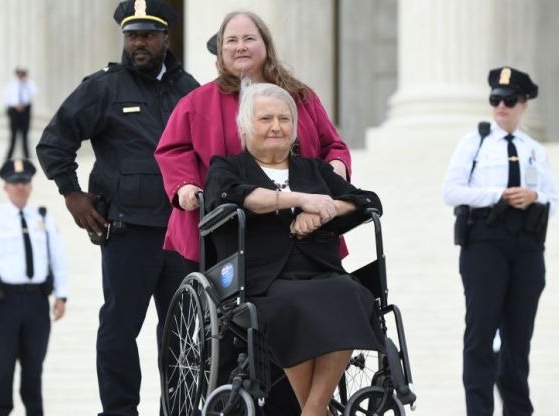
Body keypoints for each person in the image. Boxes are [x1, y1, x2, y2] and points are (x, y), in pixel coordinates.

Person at [154, 10, 351, 414]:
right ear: (220, 52)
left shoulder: (300, 96)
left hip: (307, 231)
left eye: (249, 39)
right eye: (232, 41)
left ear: (266, 45)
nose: (241, 47)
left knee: (337, 297)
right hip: (237, 234)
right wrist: (186, 185)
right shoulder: (198, 102)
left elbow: (334, 145)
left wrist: (336, 172)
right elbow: (173, 151)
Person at [35, 1, 199, 414]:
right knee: (118, 329)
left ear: (166, 37)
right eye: (131, 35)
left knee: (182, 334)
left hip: (182, 233)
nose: (138, 43)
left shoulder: (190, 91)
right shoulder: (104, 87)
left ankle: (177, 409)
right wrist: (72, 193)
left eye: (147, 34)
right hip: (129, 232)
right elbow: (54, 141)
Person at [204, 83, 384, 416]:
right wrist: (299, 200)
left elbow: (366, 202)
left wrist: (322, 211)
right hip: (261, 280)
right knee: (290, 304)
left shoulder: (313, 169)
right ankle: (317, 411)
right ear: (245, 126)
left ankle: (313, 411)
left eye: (284, 119)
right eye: (265, 118)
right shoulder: (227, 168)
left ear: (295, 127)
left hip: (321, 270)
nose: (276, 127)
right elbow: (236, 196)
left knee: (352, 295)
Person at [441, 67, 559, 416]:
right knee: (480, 335)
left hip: (526, 245)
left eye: (509, 101)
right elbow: (451, 191)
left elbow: (553, 200)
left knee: (518, 339)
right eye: (495, 100)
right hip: (484, 243)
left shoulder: (534, 150)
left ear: (523, 105)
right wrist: (498, 194)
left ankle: (518, 411)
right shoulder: (474, 143)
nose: (501, 107)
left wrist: (533, 195)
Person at [0, 158, 68, 416]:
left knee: (34, 366)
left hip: (36, 301)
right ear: (5, 186)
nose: (20, 187)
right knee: (2, 364)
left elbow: (58, 258)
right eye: (14, 182)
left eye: (24, 182)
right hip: (4, 302)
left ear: (31, 186)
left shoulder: (41, 218)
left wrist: (61, 295)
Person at [3, 68, 38, 160]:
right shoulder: (11, 85)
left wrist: (26, 83)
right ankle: (8, 156)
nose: (21, 76)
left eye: (23, 74)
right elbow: (6, 97)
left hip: (25, 110)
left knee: (25, 134)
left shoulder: (28, 84)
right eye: (19, 74)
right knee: (13, 134)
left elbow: (34, 91)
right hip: (14, 110)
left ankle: (27, 155)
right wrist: (15, 105)